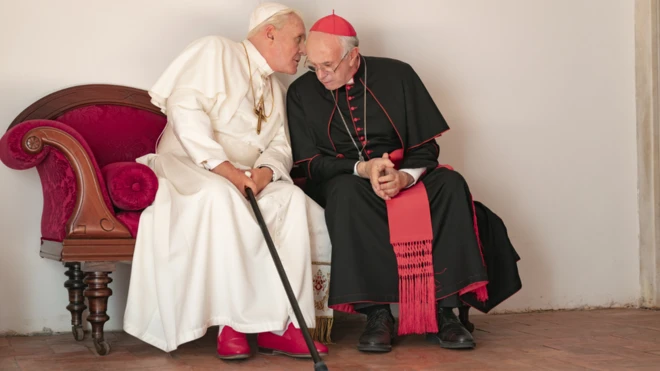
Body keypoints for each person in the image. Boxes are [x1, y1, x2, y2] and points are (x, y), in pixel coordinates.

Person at [287, 12, 522, 353]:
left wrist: (402, 177)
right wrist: (362, 169)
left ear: (353, 57)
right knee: (344, 194)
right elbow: (308, 162)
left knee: (451, 185)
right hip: (349, 180)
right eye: (314, 66)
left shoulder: (398, 74)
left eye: (328, 66)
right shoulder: (301, 93)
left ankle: (445, 313)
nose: (320, 76)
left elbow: (427, 147)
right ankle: (378, 315)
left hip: (406, 175)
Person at [123, 2, 332, 360]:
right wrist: (228, 171)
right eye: (298, 39)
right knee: (222, 197)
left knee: (291, 201)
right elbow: (185, 111)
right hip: (190, 166)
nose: (303, 50)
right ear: (270, 32)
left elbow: (280, 145)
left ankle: (283, 325)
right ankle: (232, 324)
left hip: (247, 177)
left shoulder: (277, 89)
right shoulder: (216, 50)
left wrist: (265, 173)